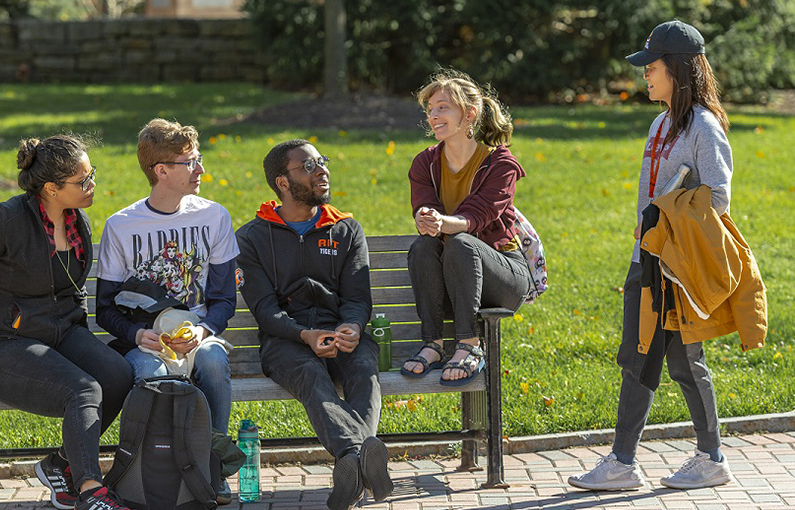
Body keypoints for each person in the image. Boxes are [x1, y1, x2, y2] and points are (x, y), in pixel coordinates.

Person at [568, 20, 763, 491]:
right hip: (647, 259)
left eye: (651, 67)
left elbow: (717, 198)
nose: (644, 76)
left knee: (681, 361)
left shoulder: (704, 126)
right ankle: (624, 462)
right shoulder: (659, 123)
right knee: (639, 356)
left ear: (677, 70)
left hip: (676, 264)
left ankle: (705, 457)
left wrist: (667, 214)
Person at [0, 136, 135, 510]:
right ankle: (91, 491)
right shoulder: (6, 219)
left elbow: (72, 288)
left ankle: (59, 464)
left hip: (61, 333)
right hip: (4, 344)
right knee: (83, 390)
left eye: (92, 174)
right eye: (83, 180)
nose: (92, 184)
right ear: (51, 188)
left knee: (117, 375)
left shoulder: (80, 223)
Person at [235, 139, 394, 510]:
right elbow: (263, 308)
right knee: (309, 373)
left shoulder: (346, 229)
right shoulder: (253, 237)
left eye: (322, 161)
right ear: (283, 183)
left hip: (340, 332)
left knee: (363, 368)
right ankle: (361, 458)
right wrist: (303, 334)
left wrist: (353, 326)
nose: (321, 170)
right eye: (308, 166)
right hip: (285, 338)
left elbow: (357, 297)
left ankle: (351, 468)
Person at [95, 119, 238, 505]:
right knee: (153, 375)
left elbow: (225, 300)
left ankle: (214, 467)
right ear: (161, 171)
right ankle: (154, 474)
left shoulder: (214, 216)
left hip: (199, 336)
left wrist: (205, 331)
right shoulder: (121, 226)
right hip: (146, 343)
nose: (201, 170)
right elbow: (105, 310)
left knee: (211, 362)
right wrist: (136, 336)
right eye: (190, 162)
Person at [401, 69, 533, 385]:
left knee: (461, 241)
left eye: (442, 107)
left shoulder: (500, 164)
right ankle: (433, 344)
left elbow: (479, 215)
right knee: (423, 245)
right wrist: (425, 219)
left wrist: (443, 222)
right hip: (453, 278)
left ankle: (469, 344)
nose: (433, 115)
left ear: (469, 113)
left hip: (502, 276)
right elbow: (424, 208)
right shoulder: (425, 163)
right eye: (430, 109)